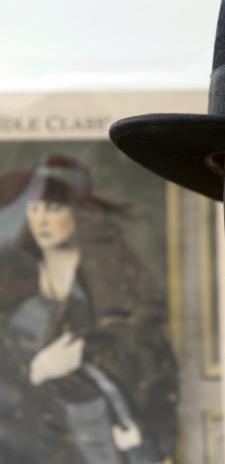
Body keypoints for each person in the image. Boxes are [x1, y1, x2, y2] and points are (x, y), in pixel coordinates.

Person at [0, 155, 178, 464]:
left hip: (105, 440)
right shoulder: (14, 291)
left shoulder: (118, 286)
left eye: (54, 208)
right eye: (35, 207)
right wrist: (36, 373)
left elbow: (149, 361)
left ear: (78, 212)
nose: (41, 219)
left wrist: (90, 359)